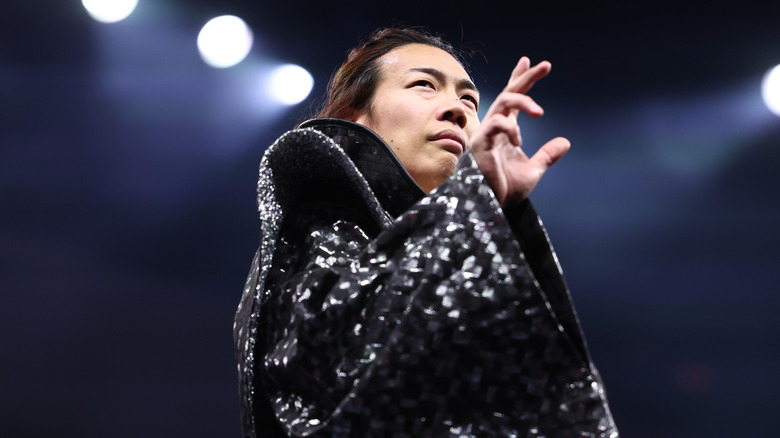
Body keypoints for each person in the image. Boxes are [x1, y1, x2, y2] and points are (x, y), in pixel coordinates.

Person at [234, 27, 618, 438]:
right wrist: (471, 206)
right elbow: (336, 362)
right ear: (355, 117)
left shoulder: (466, 241)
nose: (458, 110)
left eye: (469, 100)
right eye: (424, 85)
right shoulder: (319, 222)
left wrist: (483, 208)